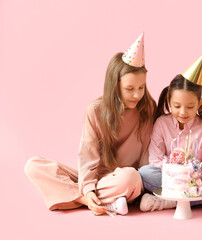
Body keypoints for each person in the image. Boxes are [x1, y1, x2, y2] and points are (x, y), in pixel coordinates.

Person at [25, 33, 156, 216]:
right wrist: (87, 189)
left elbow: (145, 157)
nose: (137, 95)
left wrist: (147, 186)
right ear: (115, 85)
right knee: (33, 165)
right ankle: (87, 201)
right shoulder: (95, 111)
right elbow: (87, 156)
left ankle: (76, 196)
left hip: (122, 180)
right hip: (95, 178)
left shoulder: (147, 109)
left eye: (141, 87)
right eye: (129, 89)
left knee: (131, 177)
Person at [139, 52, 202, 212]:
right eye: (176, 106)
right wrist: (176, 172)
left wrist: (191, 173)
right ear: (168, 100)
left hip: (195, 182)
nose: (183, 112)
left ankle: (167, 202)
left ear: (200, 103)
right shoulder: (161, 124)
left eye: (190, 107)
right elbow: (154, 160)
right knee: (145, 173)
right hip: (168, 178)